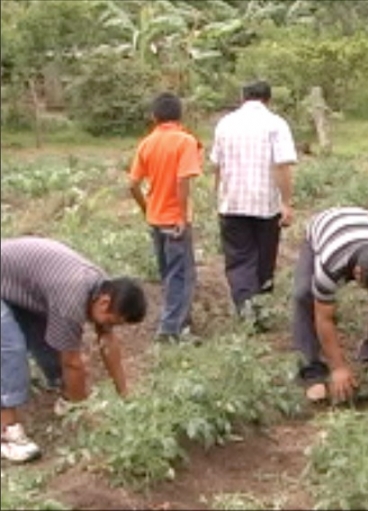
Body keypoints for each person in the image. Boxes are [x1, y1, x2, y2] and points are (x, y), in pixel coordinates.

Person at [1, 237, 147, 463]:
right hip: (7, 278)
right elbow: (72, 363)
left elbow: (108, 341)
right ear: (104, 303)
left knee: (50, 336)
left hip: (19, 284)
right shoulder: (72, 299)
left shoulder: (103, 288)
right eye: (113, 321)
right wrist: (84, 412)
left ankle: (67, 398)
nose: (111, 327)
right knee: (11, 349)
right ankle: (7, 432)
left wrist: (124, 396)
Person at [293, 207, 368, 404]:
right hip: (325, 228)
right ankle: (313, 371)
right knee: (304, 295)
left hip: (366, 226)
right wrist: (338, 368)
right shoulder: (330, 265)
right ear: (357, 273)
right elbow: (324, 317)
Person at [209, 80, 298, 327]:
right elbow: (282, 166)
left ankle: (246, 308)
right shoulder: (276, 124)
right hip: (265, 205)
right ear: (268, 99)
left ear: (242, 97)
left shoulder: (225, 124)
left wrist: (217, 194)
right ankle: (259, 310)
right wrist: (287, 202)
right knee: (263, 258)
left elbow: (216, 165)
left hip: (232, 202)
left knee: (238, 259)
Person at [128, 92, 203, 343]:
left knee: (168, 273)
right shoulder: (185, 141)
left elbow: (133, 184)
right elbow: (183, 180)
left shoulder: (146, 143)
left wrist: (146, 208)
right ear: (180, 115)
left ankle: (180, 321)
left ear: (154, 116)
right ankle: (171, 329)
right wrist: (181, 216)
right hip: (175, 220)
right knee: (180, 275)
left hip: (156, 218)